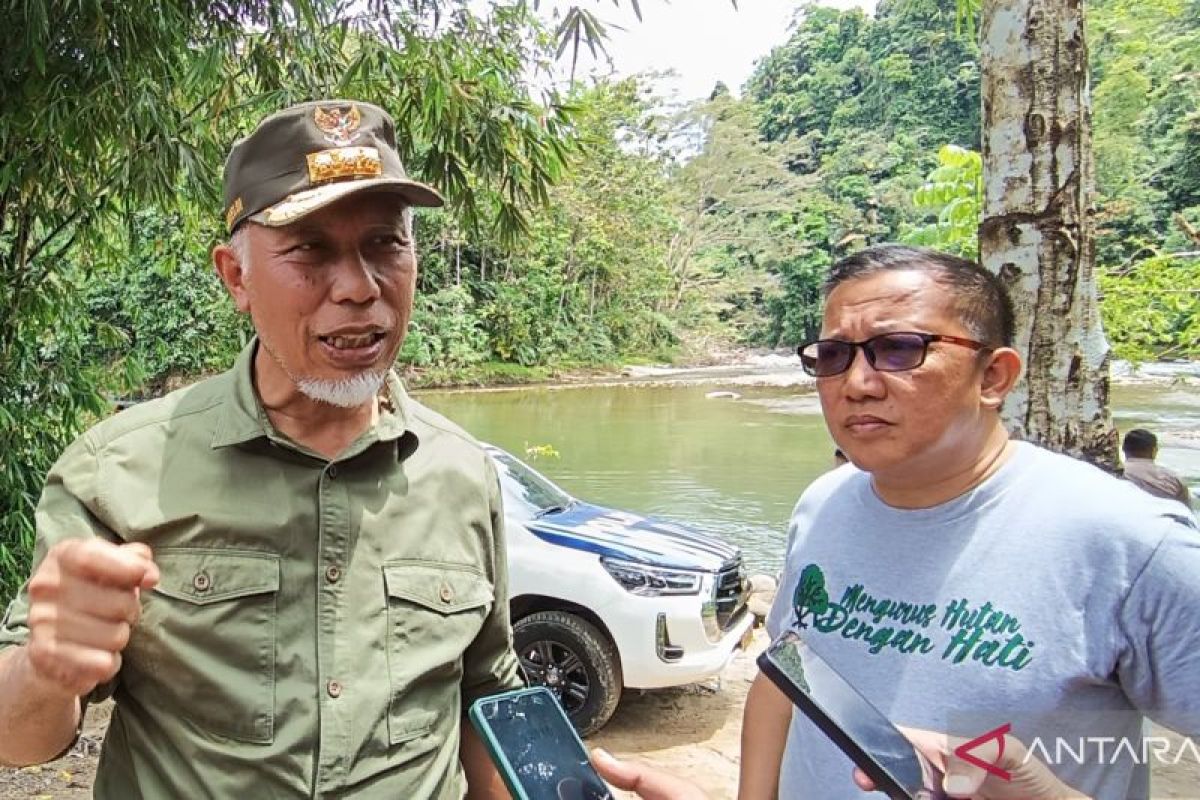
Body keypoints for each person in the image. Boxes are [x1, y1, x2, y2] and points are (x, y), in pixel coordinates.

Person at [0, 100, 522, 798]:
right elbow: (20, 740)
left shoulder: (461, 471)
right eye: (310, 249)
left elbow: (486, 695)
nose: (360, 288)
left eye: (384, 243)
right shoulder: (118, 469)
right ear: (236, 277)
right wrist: (46, 665)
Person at [594, 245, 1200, 799]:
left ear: (994, 377)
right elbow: (788, 675)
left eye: (900, 349)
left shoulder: (1132, 544)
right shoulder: (823, 506)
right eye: (833, 356)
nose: (856, 384)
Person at [1121, 428, 1194, 510]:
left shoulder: (1113, 475)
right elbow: (1187, 513)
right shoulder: (1173, 479)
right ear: (1154, 451)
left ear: (1123, 449)